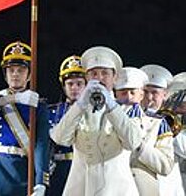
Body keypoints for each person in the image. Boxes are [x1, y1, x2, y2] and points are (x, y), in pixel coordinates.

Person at [50, 46, 143, 195]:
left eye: (105, 73)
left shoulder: (127, 110)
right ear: (87, 78)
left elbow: (133, 142)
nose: (99, 78)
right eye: (94, 74)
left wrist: (111, 106)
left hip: (117, 189)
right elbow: (60, 138)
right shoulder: (77, 111)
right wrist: (80, 103)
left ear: (115, 77)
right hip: (82, 188)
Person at [0, 41, 49, 196]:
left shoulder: (37, 105)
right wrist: (13, 99)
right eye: (11, 70)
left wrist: (41, 181)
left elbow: (41, 144)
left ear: (29, 75)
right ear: (5, 74)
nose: (15, 74)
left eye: (21, 70)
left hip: (23, 169)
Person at [115, 67, 174, 196]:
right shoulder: (105, 120)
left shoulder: (158, 123)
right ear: (116, 94)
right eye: (123, 92)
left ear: (140, 95)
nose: (128, 97)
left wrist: (139, 147)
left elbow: (166, 165)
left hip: (142, 189)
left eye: (132, 92)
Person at [46, 55, 85, 196]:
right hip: (58, 170)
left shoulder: (94, 111)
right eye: (70, 84)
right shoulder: (51, 111)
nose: (74, 88)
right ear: (63, 86)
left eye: (79, 83)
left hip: (83, 169)